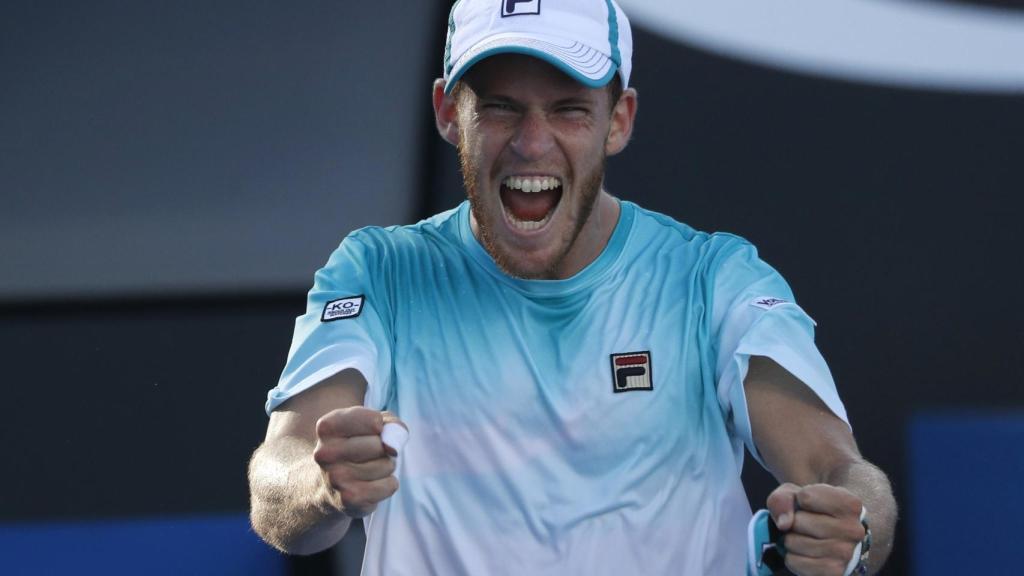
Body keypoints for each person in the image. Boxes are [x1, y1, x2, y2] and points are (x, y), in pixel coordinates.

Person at [248, 0, 897, 574]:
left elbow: (839, 472)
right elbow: (277, 486)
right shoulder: (378, 270)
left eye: (568, 109)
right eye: (500, 107)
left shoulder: (713, 278)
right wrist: (319, 485)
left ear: (619, 120)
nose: (532, 144)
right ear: (450, 112)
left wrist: (849, 527)